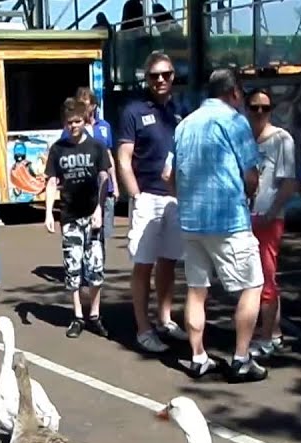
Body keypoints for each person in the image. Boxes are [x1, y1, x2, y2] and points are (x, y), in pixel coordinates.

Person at [171, 68, 267, 383]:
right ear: (235, 92)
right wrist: (250, 193)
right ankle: (241, 358)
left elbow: (170, 177)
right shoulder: (233, 121)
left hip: (191, 220)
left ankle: (198, 357)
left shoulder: (184, 124)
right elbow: (251, 176)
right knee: (252, 284)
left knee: (196, 290)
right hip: (227, 218)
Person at [118, 51, 186, 354]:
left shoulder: (180, 110)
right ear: (146, 78)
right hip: (146, 197)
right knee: (143, 264)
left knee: (169, 262)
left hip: (174, 198)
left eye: (166, 74)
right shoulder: (133, 111)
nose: (160, 80)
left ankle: (164, 319)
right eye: (154, 75)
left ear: (173, 76)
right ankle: (143, 328)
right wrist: (136, 196)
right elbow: (123, 159)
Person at [45, 98, 112, 339]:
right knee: (73, 268)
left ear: (85, 121)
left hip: (91, 214)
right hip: (70, 216)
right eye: (70, 122)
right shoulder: (58, 149)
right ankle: (77, 316)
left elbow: (105, 178)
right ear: (65, 123)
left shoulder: (96, 147)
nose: (74, 126)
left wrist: (99, 210)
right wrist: (48, 212)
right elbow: (52, 181)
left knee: (95, 267)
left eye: (78, 121)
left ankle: (94, 313)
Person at [244, 89, 297, 360]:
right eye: (254, 107)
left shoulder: (281, 139)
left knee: (265, 279)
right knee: (253, 279)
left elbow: (289, 182)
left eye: (265, 107)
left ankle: (265, 337)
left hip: (268, 218)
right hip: (243, 217)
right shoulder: (243, 139)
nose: (260, 112)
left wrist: (273, 211)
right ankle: (273, 333)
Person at [61, 88, 118, 243]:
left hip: (105, 186)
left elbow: (109, 155)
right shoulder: (71, 129)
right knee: (84, 232)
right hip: (83, 189)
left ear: (93, 106)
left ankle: (99, 265)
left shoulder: (104, 126)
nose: (83, 108)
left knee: (102, 233)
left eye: (86, 104)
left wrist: (115, 185)